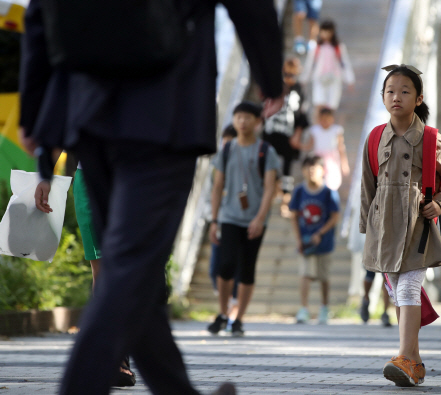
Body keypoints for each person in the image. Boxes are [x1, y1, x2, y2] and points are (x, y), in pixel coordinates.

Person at [19, 0, 283, 393]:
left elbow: (43, 11)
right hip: (166, 112)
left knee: (133, 267)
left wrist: (35, 110)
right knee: (130, 266)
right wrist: (269, 76)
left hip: (89, 110)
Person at [360, 65, 441, 387]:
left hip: (418, 227)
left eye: (405, 91)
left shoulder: (431, 139)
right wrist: (367, 227)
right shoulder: (375, 136)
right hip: (384, 228)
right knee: (397, 293)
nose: (397, 97)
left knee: (406, 288)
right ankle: (415, 363)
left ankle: (404, 356)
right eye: (390, 90)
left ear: (418, 98)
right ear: (382, 96)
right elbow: (368, 185)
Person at [34, 158, 137, 388]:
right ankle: (114, 357)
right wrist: (45, 176)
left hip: (132, 176)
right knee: (102, 271)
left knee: (128, 271)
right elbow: (58, 124)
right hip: (90, 178)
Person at [208, 102, 280, 337]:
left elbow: (270, 188)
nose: (242, 121)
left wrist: (260, 218)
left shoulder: (266, 151)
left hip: (255, 219)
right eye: (238, 116)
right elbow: (217, 186)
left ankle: (238, 319)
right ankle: (222, 312)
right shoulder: (226, 150)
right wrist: (214, 219)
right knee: (226, 264)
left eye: (248, 117)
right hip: (229, 216)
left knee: (247, 269)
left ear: (258, 121)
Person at [289, 155, 340, 324]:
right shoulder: (298, 191)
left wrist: (320, 233)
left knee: (323, 276)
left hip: (324, 242)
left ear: (322, 171)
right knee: (305, 274)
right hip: (305, 241)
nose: (311, 172)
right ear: (303, 171)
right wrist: (298, 238)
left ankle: (324, 307)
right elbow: (294, 215)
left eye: (314, 168)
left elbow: (335, 216)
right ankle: (304, 309)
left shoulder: (328, 192)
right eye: (308, 168)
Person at [263, 57, 309, 216]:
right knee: (268, 164)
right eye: (286, 74)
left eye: (292, 75)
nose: (289, 78)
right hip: (270, 133)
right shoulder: (273, 86)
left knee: (287, 168)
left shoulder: (299, 90)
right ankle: (270, 194)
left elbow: (302, 116)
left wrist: (297, 135)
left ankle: (285, 201)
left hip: (288, 135)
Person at [206, 125, 240, 328]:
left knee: (232, 267)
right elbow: (214, 191)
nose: (226, 145)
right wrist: (213, 219)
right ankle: (226, 305)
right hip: (218, 220)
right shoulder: (218, 163)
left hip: (237, 221)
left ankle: (231, 311)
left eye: (230, 141)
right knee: (214, 269)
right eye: (224, 141)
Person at [300, 19, 355, 112]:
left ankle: (329, 125)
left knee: (331, 106)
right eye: (323, 31)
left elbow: (344, 63)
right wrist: (304, 78)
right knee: (318, 104)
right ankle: (318, 125)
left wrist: (350, 79)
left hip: (334, 79)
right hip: (319, 78)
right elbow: (310, 64)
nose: (325, 34)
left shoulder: (338, 47)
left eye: (328, 31)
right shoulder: (316, 47)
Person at [300, 107, 349, 191]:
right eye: (322, 119)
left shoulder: (336, 130)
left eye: (327, 119)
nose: (325, 121)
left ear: (332, 119)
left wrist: (344, 163)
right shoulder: (315, 130)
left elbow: (341, 148)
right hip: (318, 160)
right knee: (317, 179)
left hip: (332, 161)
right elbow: (309, 145)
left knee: (332, 182)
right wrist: (299, 145)